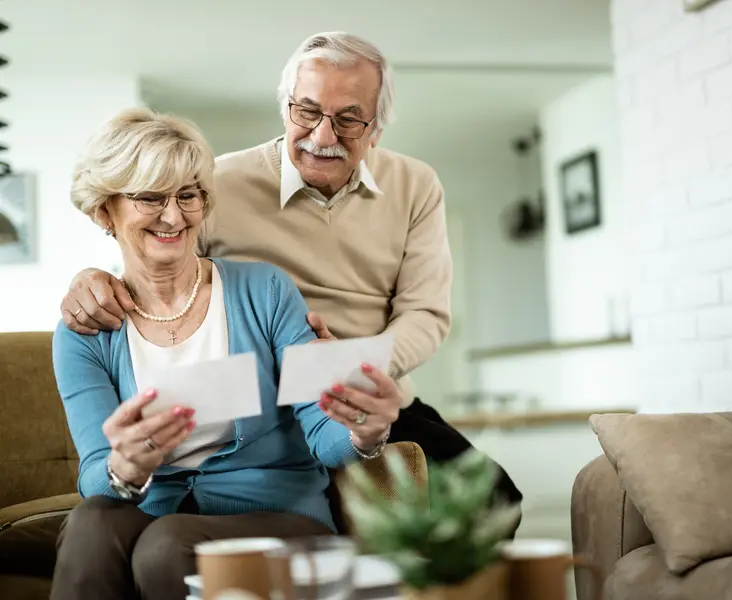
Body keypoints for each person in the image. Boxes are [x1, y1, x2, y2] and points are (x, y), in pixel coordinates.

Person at [59, 31, 523, 527]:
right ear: (285, 108)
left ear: (376, 129)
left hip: (359, 389)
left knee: (496, 502)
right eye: (307, 111)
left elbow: (425, 315)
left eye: (349, 119)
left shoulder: (415, 186)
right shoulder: (219, 182)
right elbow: (162, 259)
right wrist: (92, 278)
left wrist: (346, 367)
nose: (323, 136)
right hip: (259, 408)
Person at [50, 107, 404, 600]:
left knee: (165, 544)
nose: (173, 217)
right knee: (92, 522)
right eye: (151, 198)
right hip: (154, 513)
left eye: (188, 195)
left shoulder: (266, 290)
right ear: (104, 212)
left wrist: (365, 430)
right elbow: (97, 477)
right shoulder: (84, 333)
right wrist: (125, 467)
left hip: (282, 517)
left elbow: (325, 434)